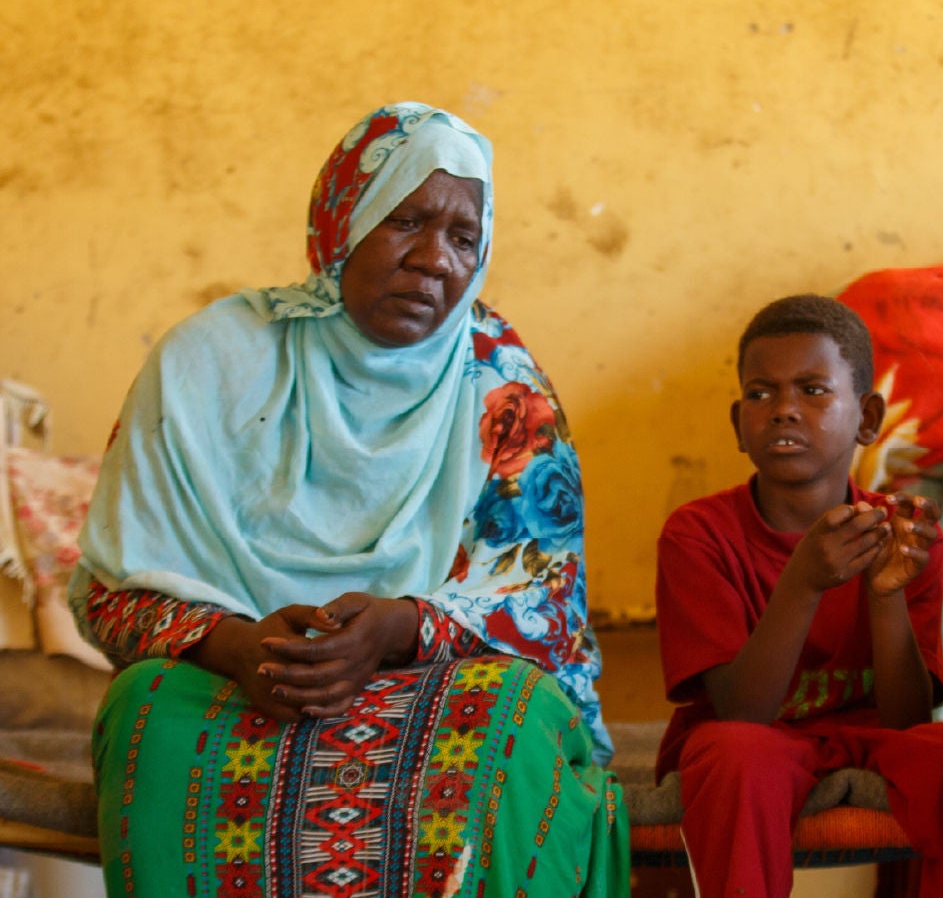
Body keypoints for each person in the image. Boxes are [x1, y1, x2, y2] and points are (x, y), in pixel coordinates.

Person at [68, 103, 628, 897]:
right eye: (406, 220)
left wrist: (403, 627)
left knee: (516, 723)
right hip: (231, 674)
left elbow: (545, 605)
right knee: (148, 713)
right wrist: (242, 649)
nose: (434, 260)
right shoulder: (213, 360)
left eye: (464, 238)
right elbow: (109, 592)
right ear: (343, 220)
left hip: (433, 672)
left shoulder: (502, 385)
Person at [653, 295, 943, 897]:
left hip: (870, 733)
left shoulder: (905, 533)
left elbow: (906, 720)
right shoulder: (697, 535)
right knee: (734, 756)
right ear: (736, 424)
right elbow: (741, 714)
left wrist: (885, 594)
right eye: (760, 394)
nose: (783, 411)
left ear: (867, 416)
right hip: (749, 740)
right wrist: (802, 583)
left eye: (812, 390)